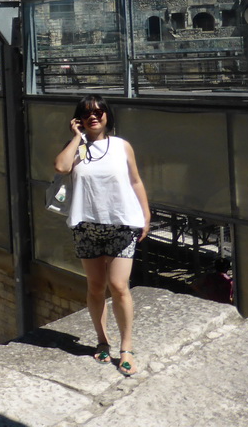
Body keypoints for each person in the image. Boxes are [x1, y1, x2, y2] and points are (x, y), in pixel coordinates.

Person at [54, 95, 151, 376]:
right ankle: (102, 341)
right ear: (78, 119)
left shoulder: (122, 146)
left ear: (108, 115)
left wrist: (145, 216)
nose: (93, 117)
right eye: (86, 113)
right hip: (87, 226)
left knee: (119, 285)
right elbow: (60, 167)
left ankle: (127, 347)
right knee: (96, 287)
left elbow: (135, 180)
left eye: (98, 112)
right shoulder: (76, 148)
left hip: (121, 224)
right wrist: (76, 137)